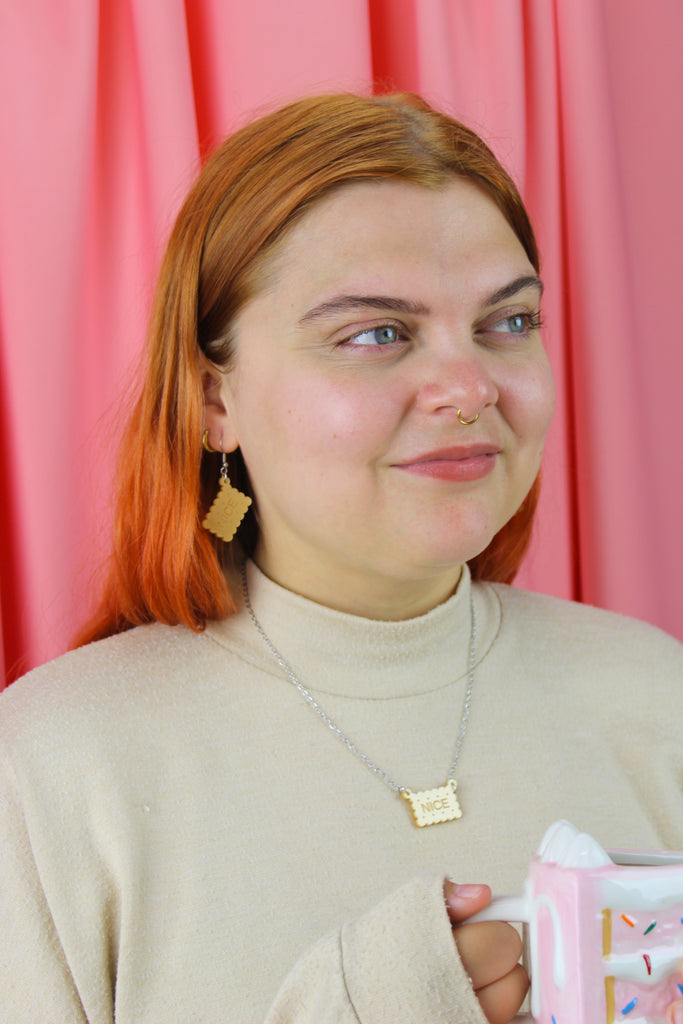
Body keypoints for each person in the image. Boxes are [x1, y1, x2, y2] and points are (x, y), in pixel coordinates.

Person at [0, 92, 681, 1024]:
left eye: (508, 322)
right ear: (212, 400)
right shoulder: (50, 767)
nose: (469, 386)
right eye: (376, 334)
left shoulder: (652, 691)